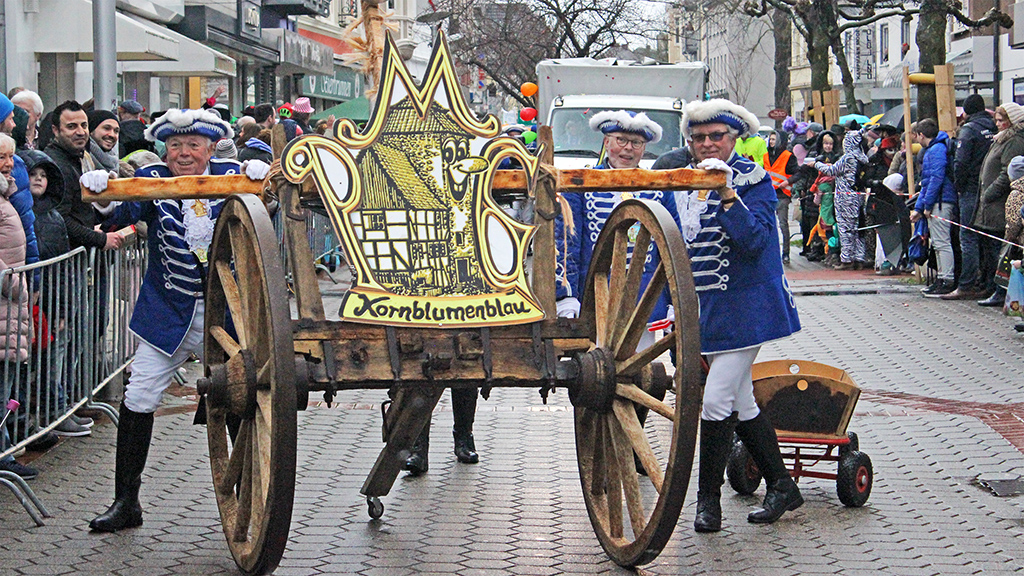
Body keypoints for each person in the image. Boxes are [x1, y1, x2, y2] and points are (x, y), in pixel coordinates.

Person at [81, 108, 272, 532]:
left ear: (210, 148)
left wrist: (263, 185)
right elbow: (119, 215)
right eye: (174, 145)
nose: (183, 153)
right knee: (139, 397)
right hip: (168, 314)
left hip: (228, 317)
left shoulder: (233, 176)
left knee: (240, 393)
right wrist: (104, 191)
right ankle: (126, 502)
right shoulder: (152, 180)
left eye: (192, 145)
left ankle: (247, 496)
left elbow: (265, 215)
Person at [658, 98, 802, 533]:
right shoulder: (681, 181)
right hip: (704, 310)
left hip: (747, 307)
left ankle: (709, 503)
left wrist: (727, 194)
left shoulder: (754, 180)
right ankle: (782, 485)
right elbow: (670, 247)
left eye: (716, 136)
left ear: (734, 138)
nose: (707, 144)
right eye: (698, 137)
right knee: (741, 401)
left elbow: (755, 242)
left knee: (717, 401)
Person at [0, 133, 37, 480]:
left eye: (10, 157)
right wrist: (14, 284)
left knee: (5, 383)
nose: (8, 164)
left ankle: (4, 449)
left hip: (10, 305)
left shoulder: (6, 193)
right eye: (1, 158)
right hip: (6, 299)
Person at [44, 101, 123, 253]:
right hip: (67, 256)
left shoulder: (79, 158)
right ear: (55, 130)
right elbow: (60, 218)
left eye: (84, 125)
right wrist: (99, 239)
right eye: (71, 126)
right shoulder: (56, 165)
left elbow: (80, 211)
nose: (80, 132)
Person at [942, 95, 995, 299]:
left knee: (968, 236)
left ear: (966, 111)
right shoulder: (993, 128)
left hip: (971, 189)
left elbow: (961, 163)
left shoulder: (969, 130)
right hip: (991, 190)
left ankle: (966, 284)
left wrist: (959, 186)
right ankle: (990, 283)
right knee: (989, 238)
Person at [974, 103, 1024, 307]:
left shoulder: (1014, 141)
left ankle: (1001, 290)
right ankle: (992, 285)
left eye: (1001, 120)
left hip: (1000, 203)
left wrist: (990, 192)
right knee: (991, 248)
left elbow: (1007, 172)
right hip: (992, 205)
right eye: (996, 120)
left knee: (1001, 250)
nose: (997, 124)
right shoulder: (1001, 139)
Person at [808, 128, 869, 269]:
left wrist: (816, 164)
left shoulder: (848, 158)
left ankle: (847, 260)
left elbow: (831, 170)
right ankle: (859, 258)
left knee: (845, 229)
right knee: (858, 228)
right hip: (858, 196)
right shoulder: (862, 158)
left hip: (845, 199)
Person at [909, 119, 957, 296]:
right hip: (940, 199)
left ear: (921, 135)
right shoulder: (936, 149)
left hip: (941, 201)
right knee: (938, 242)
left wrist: (926, 205)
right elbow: (929, 181)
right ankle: (943, 277)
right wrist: (920, 208)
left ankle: (947, 279)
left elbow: (935, 179)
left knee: (941, 242)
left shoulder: (935, 150)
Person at [764, 130, 799, 263]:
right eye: (770, 139)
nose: (771, 141)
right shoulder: (766, 156)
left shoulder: (788, 156)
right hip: (768, 194)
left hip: (782, 194)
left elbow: (797, 173)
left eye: (774, 139)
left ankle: (785, 253)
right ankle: (770, 252)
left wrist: (787, 182)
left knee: (783, 224)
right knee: (768, 224)